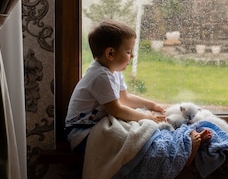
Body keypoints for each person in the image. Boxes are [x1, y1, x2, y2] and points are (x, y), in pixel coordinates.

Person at [65, 19, 167, 153]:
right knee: (131, 137)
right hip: (80, 133)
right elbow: (117, 110)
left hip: (93, 126)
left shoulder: (113, 71)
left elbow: (125, 98)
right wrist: (148, 118)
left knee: (134, 126)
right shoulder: (101, 76)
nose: (132, 56)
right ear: (110, 53)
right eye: (129, 51)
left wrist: (152, 105)